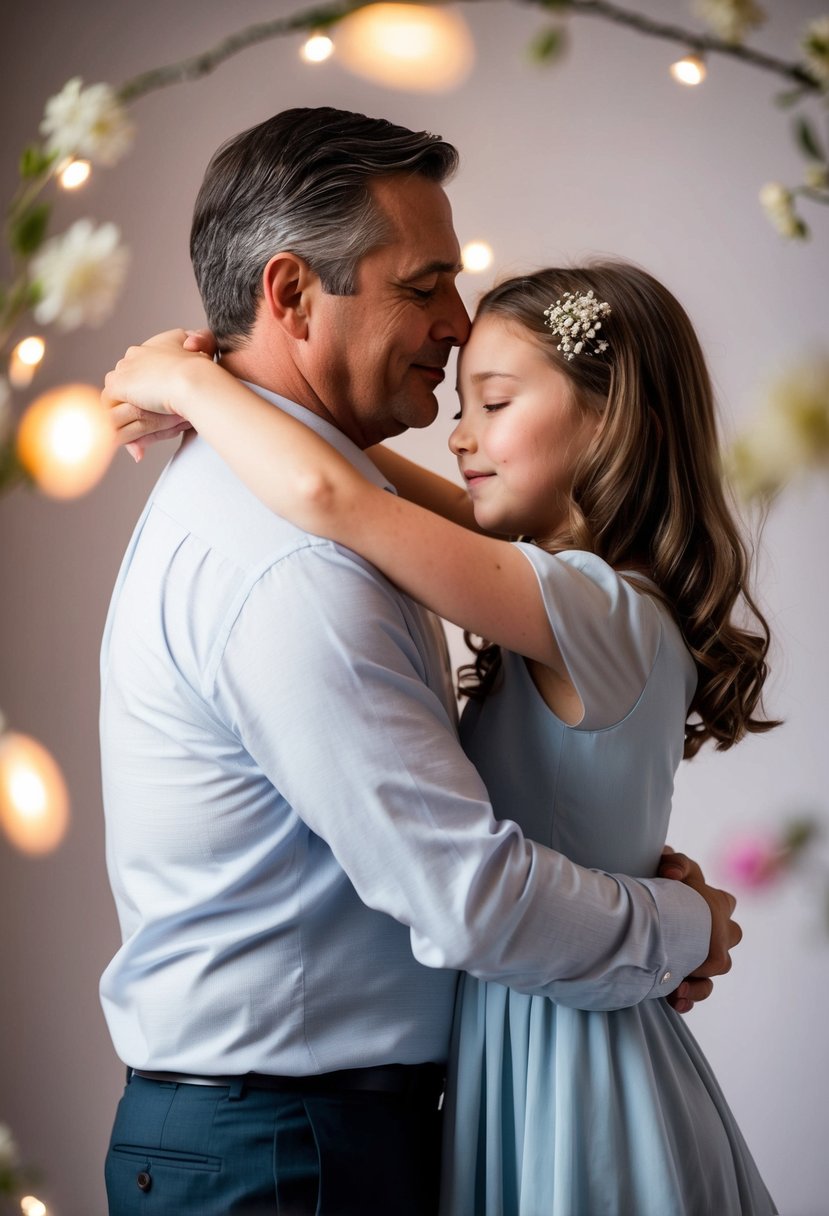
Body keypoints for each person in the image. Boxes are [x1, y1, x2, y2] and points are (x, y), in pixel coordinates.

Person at [100, 107, 744, 1216]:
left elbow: (361, 491)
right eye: (424, 284)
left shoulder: (437, 546)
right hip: (293, 1147)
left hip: (382, 1109)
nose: (453, 326)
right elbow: (473, 899)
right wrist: (674, 922)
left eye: (496, 400)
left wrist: (195, 381)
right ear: (292, 294)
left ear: (607, 424)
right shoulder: (296, 556)